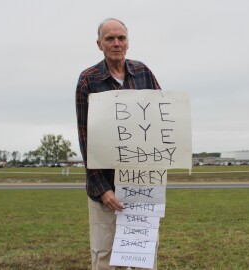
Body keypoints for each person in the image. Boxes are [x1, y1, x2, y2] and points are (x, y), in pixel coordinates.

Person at [75, 18, 161, 270]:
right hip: (105, 189)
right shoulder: (88, 80)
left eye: (121, 38)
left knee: (145, 256)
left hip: (142, 186)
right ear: (99, 44)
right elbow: (85, 137)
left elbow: (162, 120)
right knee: (105, 257)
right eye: (110, 38)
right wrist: (103, 188)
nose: (116, 43)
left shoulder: (143, 72)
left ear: (128, 42)